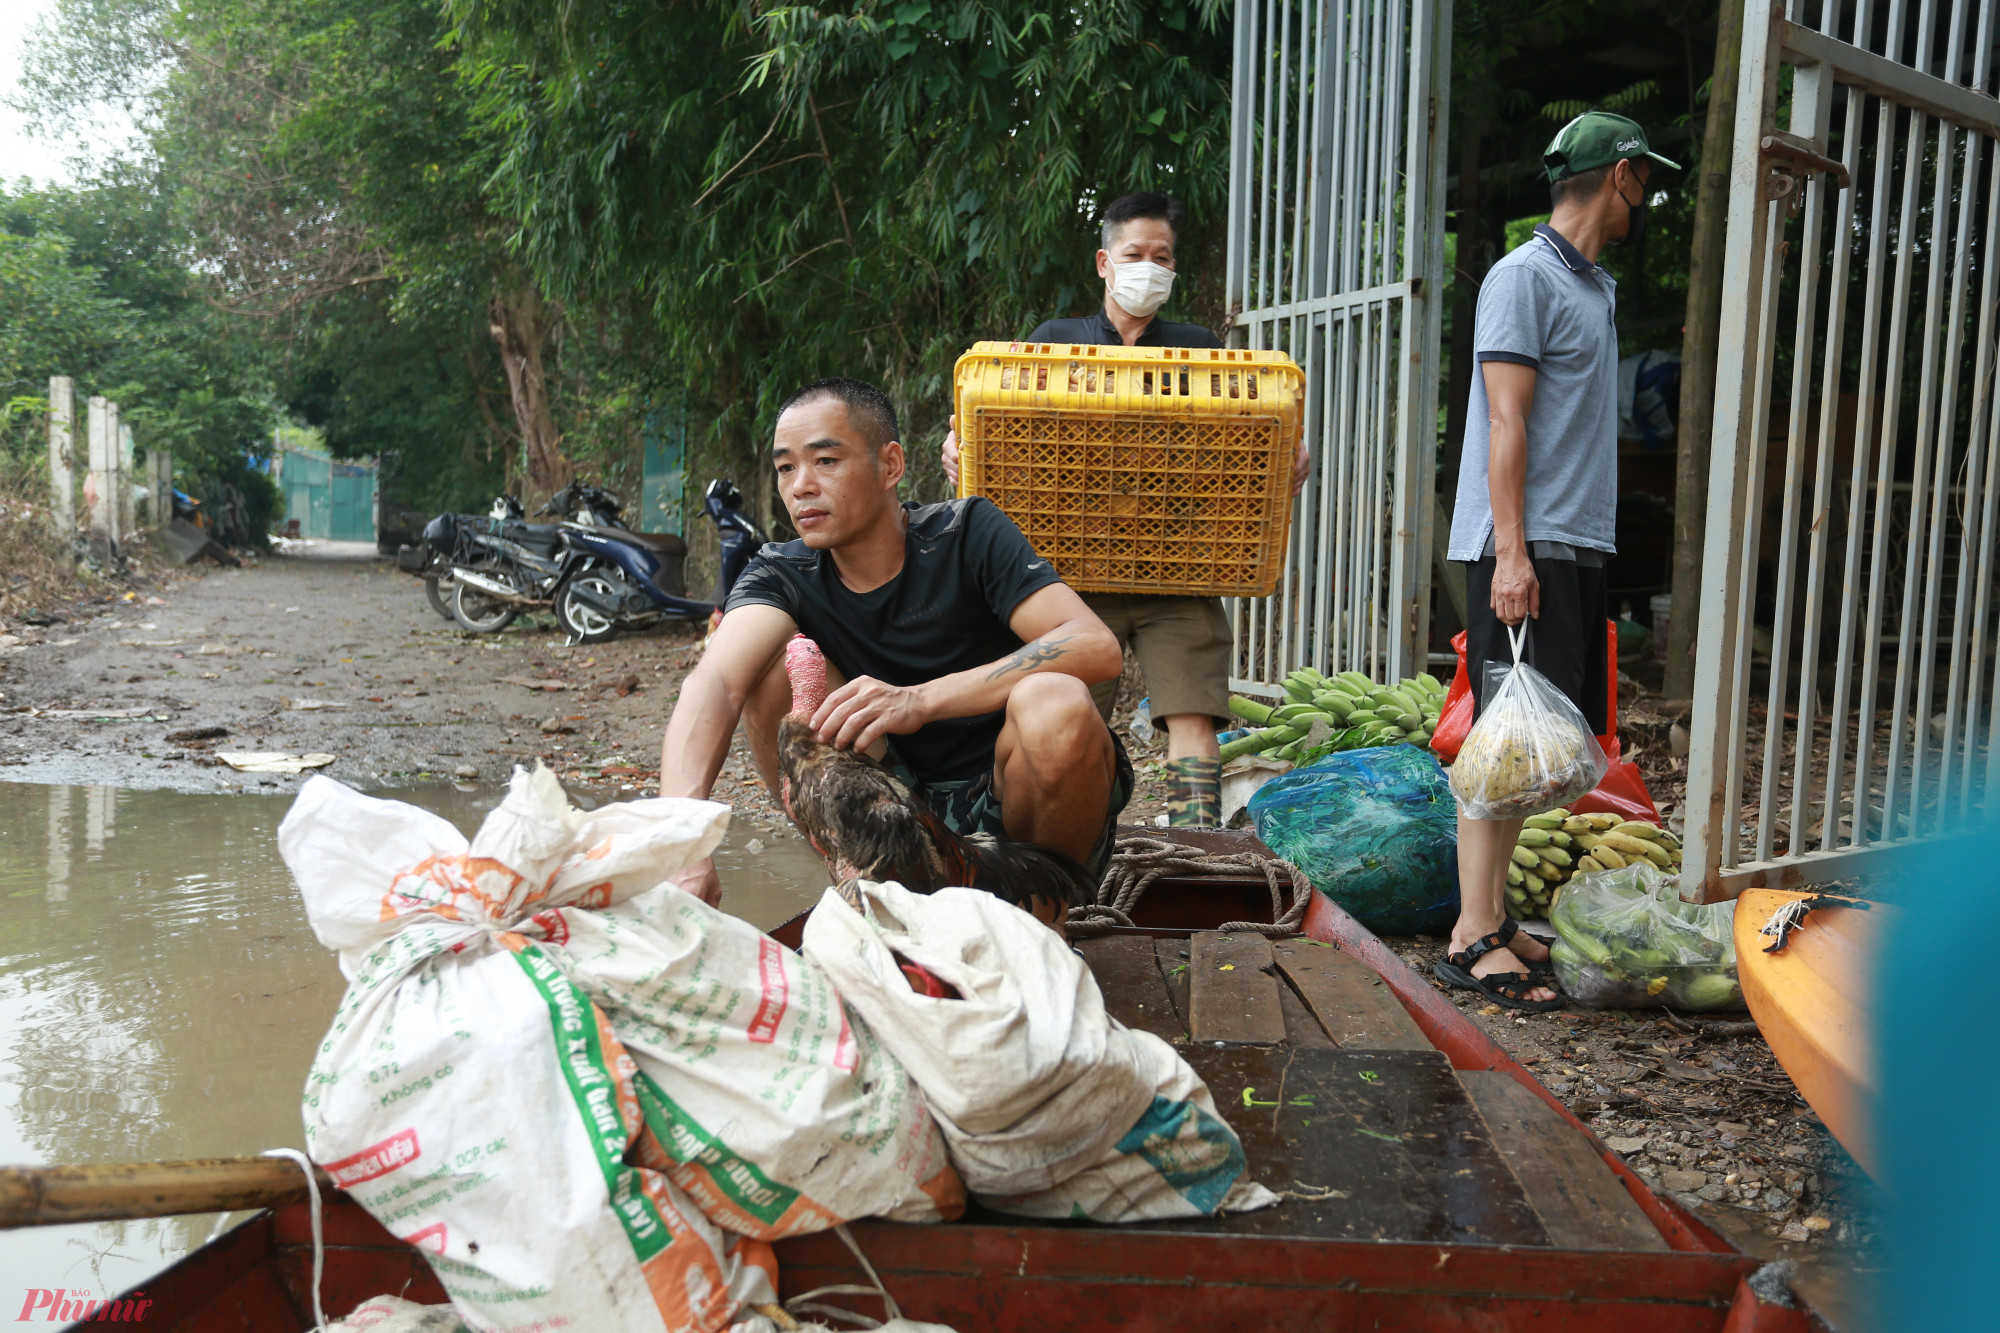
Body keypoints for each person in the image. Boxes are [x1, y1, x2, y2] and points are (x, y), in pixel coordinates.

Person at [658, 376, 1130, 908]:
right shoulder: (780, 573)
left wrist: (921, 700)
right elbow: (716, 683)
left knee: (1056, 703)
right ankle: (864, 878)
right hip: (889, 805)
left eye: (826, 461)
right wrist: (682, 843)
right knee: (771, 671)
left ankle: (1045, 916)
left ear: (890, 465)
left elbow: (1095, 644)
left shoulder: (966, 532)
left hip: (1012, 799)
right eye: (786, 467)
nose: (801, 486)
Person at [941, 191, 1309, 828]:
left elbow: (1244, 447)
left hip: (1181, 567)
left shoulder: (1201, 351)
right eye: (1135, 254)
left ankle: (1192, 846)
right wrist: (959, 449)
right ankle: (1046, 846)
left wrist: (1287, 462)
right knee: (1058, 712)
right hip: (1070, 582)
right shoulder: (1053, 345)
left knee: (1192, 713)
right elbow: (1006, 436)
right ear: (1104, 263)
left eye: (1161, 257)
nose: (1149, 267)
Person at [1436, 112, 1677, 1011]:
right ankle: (1469, 936)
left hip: (1575, 541)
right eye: (1643, 178)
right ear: (1619, 175)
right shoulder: (1521, 279)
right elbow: (1505, 423)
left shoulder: (1594, 287)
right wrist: (1511, 552)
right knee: (1501, 738)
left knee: (1532, 744)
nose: (1645, 195)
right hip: (1525, 543)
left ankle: (1493, 922)